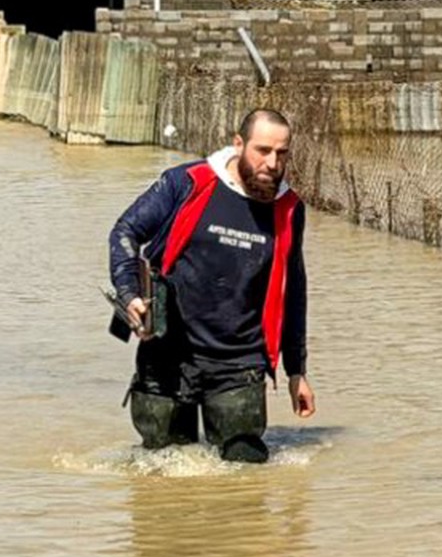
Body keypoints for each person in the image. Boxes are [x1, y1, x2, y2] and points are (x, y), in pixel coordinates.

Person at [108, 108, 315, 463]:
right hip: (167, 357)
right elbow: (125, 232)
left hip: (239, 365)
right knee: (160, 474)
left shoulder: (289, 209)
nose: (272, 163)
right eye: (262, 150)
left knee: (245, 476)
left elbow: (292, 291)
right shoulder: (187, 183)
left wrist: (297, 372)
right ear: (239, 144)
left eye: (282, 153)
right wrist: (129, 296)